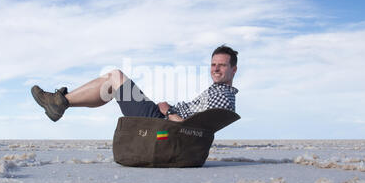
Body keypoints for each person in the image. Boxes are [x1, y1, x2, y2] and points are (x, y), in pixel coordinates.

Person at [31, 45, 238, 123]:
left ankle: (59, 102)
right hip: (160, 116)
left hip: (160, 121)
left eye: (222, 65)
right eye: (213, 64)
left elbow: (194, 127)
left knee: (114, 77)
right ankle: (59, 103)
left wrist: (167, 113)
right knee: (110, 84)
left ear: (233, 69)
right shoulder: (219, 91)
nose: (215, 69)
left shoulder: (223, 96)